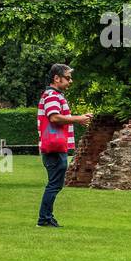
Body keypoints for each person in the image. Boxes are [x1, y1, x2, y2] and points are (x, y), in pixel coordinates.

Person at [37, 63, 93, 228]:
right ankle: (44, 219)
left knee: (55, 184)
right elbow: (54, 117)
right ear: (56, 78)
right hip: (53, 147)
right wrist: (79, 118)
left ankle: (47, 217)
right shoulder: (52, 95)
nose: (70, 81)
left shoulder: (55, 95)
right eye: (67, 78)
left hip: (56, 146)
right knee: (54, 184)